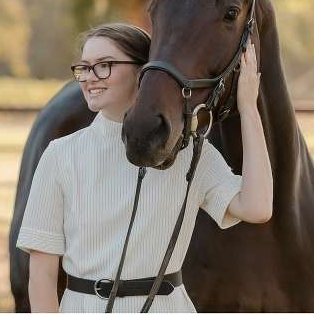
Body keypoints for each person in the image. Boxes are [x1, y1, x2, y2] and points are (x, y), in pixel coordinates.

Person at [16, 22, 273, 313]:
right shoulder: (60, 155)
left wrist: (249, 109)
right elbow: (41, 276)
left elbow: (257, 207)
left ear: (144, 72)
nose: (89, 78)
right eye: (85, 67)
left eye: (105, 65)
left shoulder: (190, 153)